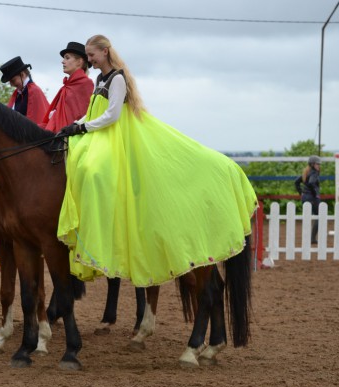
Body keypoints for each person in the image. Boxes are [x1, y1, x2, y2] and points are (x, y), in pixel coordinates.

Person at [56, 34, 258, 287]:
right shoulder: (99, 78)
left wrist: (83, 128)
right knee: (76, 161)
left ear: (105, 52)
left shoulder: (118, 77)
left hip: (115, 135)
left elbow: (112, 115)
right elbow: (92, 110)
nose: (90, 60)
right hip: (99, 133)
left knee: (92, 170)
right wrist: (74, 124)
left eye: (92, 55)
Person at [40, 42, 94, 132]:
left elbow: (82, 115)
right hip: (58, 133)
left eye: (67, 58)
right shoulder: (67, 85)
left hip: (70, 137)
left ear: (79, 61)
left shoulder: (86, 84)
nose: (62, 61)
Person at [0, 56, 49, 124]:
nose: (11, 85)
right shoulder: (18, 93)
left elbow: (36, 122)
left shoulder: (34, 91)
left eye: (13, 80)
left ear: (22, 74)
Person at [295, 155, 322, 244]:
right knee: (319, 217)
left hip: (305, 197)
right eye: (317, 164)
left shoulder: (306, 172)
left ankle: (307, 238)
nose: (319, 166)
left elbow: (296, 182)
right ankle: (312, 238)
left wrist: (301, 193)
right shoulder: (314, 173)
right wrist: (315, 194)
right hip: (312, 198)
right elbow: (311, 183)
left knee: (307, 217)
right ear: (312, 164)